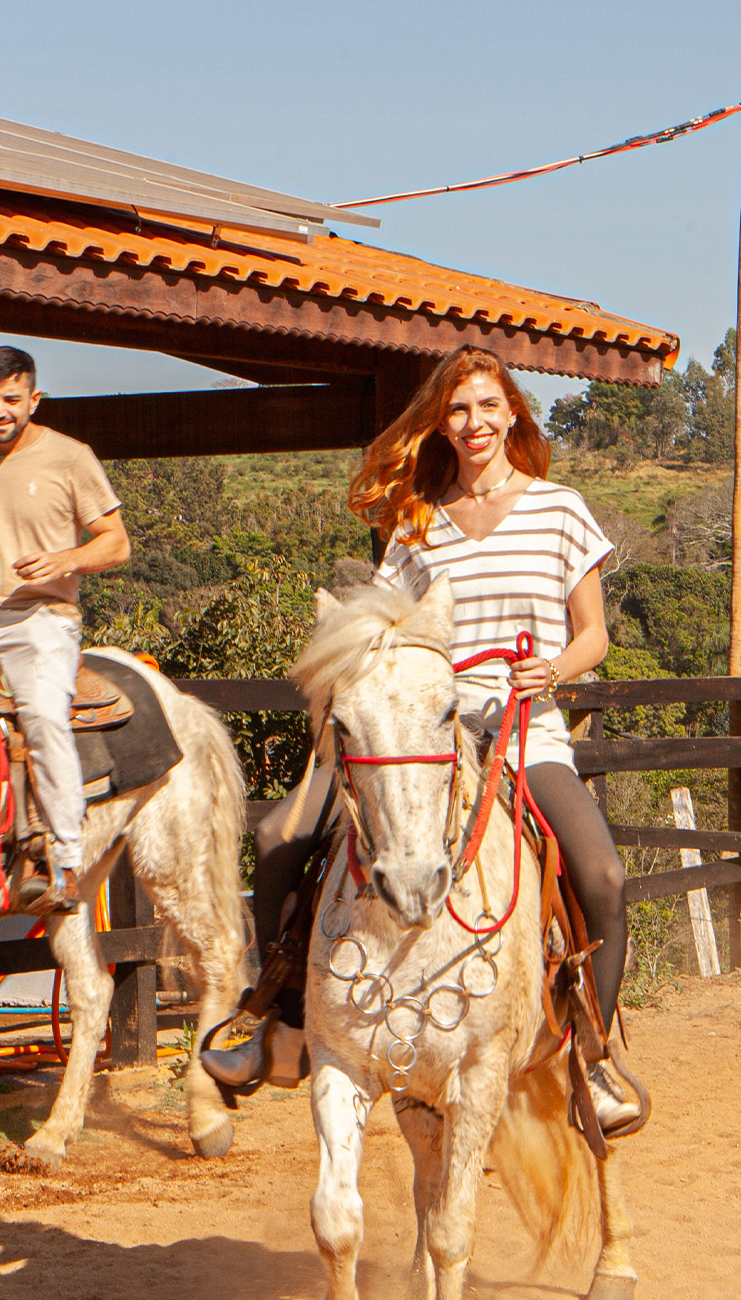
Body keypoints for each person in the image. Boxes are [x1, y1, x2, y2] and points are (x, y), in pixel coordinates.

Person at [203, 343, 637, 1133]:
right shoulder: (417, 522)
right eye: (458, 409)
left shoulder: (561, 509)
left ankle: (593, 1060)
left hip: (518, 725)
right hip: (417, 728)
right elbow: (380, 624)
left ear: (512, 414)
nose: (474, 423)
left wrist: (554, 672)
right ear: (443, 424)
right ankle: (278, 1018)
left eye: (487, 406)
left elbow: (594, 633)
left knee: (602, 873)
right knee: (276, 835)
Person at [0, 345, 130, 913]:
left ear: (34, 399)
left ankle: (65, 860)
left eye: (11, 400)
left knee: (42, 715)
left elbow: (116, 543)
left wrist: (64, 561)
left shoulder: (71, 458)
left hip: (41, 618)